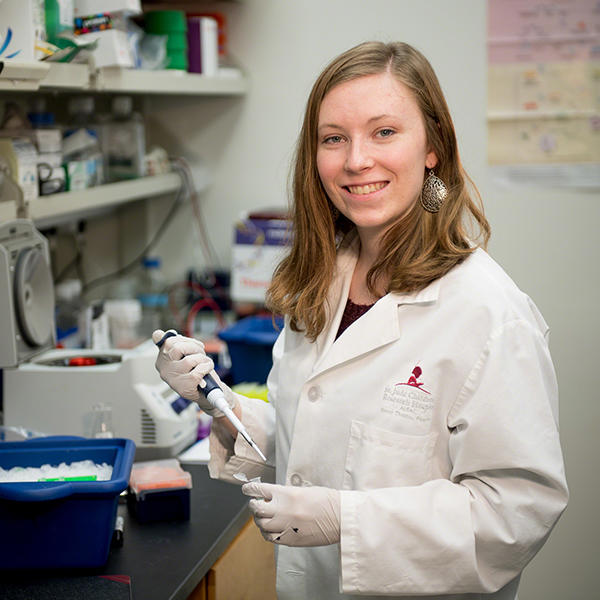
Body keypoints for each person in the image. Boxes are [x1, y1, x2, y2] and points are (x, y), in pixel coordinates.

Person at [153, 41, 568, 600]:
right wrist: (219, 403)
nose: (355, 160)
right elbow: (318, 438)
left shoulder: (488, 311)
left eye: (384, 132)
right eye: (334, 138)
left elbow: (515, 514)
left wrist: (348, 521)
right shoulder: (320, 279)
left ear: (433, 148)